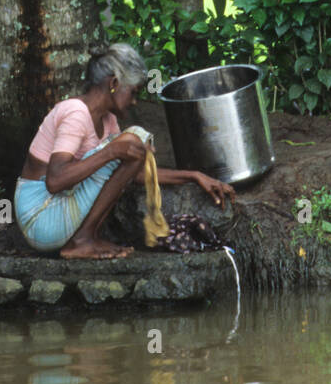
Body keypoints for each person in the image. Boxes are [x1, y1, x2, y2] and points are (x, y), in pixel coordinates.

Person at [14, 43, 236, 259]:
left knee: (131, 144)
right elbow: (55, 181)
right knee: (133, 138)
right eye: (133, 92)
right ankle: (82, 240)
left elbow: (134, 172)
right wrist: (112, 151)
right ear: (114, 83)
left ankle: (86, 237)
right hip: (40, 218)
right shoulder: (76, 113)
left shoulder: (107, 119)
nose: (135, 102)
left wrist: (194, 176)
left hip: (57, 214)